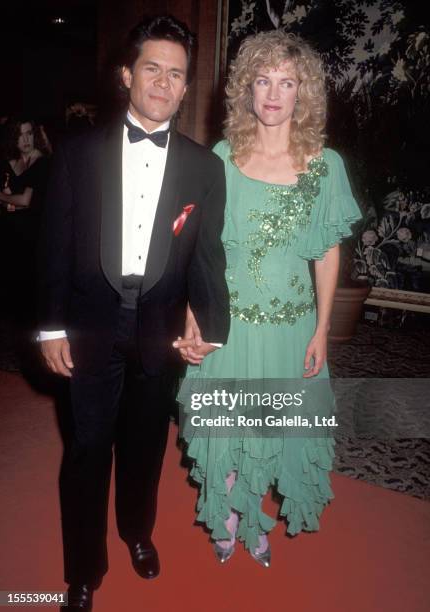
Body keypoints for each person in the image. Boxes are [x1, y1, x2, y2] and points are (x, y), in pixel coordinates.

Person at [37, 16, 229, 611]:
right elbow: (54, 247)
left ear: (184, 86)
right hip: (91, 326)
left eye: (176, 74)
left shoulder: (204, 166)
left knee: (145, 449)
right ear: (127, 75)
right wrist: (49, 326)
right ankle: (84, 568)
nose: (164, 83)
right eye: (153, 68)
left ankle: (136, 534)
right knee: (88, 449)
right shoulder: (77, 154)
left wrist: (212, 327)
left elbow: (206, 257)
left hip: (160, 333)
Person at [175, 30, 362, 567]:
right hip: (227, 323)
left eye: (286, 82)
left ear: (303, 93)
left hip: (289, 327)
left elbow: (326, 254)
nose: (274, 93)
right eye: (263, 80)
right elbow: (201, 250)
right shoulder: (222, 157)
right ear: (246, 90)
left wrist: (322, 329)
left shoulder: (326, 165)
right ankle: (229, 520)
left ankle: (255, 516)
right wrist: (193, 318)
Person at [0, 118, 50, 323]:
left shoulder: (42, 161)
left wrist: (4, 199)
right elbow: (11, 201)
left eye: (29, 133)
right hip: (11, 234)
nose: (26, 139)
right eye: (20, 135)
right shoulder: (10, 163)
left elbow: (25, 200)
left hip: (34, 235)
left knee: (30, 295)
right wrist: (8, 202)